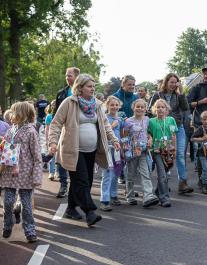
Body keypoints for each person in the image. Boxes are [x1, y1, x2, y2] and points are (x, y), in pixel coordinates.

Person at [48, 74, 120, 226]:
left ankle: (71, 208)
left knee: (82, 181)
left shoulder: (98, 104)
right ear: (80, 87)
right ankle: (90, 212)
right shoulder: (69, 102)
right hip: (73, 149)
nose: (92, 89)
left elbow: (105, 125)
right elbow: (56, 124)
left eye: (94, 86)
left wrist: (114, 139)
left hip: (92, 150)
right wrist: (52, 143)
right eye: (89, 86)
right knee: (81, 181)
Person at [1, 102, 42, 242]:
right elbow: (5, 149)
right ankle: (7, 225)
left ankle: (30, 230)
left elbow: (37, 156)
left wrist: (36, 176)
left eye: (13, 112)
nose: (10, 115)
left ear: (21, 114)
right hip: (9, 173)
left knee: (26, 205)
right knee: (7, 202)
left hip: (26, 174)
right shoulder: (10, 130)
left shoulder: (31, 132)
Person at [149, 73, 193, 194]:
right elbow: (150, 111)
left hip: (177, 128)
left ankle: (183, 183)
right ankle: (163, 184)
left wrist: (181, 93)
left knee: (179, 154)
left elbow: (185, 108)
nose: (173, 85)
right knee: (163, 155)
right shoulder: (157, 95)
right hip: (161, 129)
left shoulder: (178, 95)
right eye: (171, 82)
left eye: (175, 82)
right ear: (166, 82)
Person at [123, 99, 159, 207]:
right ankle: (130, 196)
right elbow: (124, 136)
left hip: (143, 151)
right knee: (130, 175)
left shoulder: (147, 119)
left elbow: (148, 133)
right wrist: (125, 149)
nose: (139, 108)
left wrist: (150, 139)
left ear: (145, 109)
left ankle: (148, 196)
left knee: (145, 173)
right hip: (132, 152)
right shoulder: (128, 121)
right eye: (137, 106)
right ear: (133, 108)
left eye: (142, 107)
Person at [54, 67, 80, 198]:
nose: (67, 77)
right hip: (63, 129)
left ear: (76, 76)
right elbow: (56, 115)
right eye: (66, 75)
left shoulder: (83, 92)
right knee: (60, 157)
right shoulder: (61, 93)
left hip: (78, 131)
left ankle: (77, 186)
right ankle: (63, 184)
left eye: (69, 75)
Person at [148, 99, 177, 207]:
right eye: (158, 107)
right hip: (157, 150)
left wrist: (174, 150)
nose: (160, 109)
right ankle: (164, 198)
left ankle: (157, 191)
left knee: (164, 173)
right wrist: (150, 138)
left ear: (166, 109)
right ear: (154, 109)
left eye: (162, 107)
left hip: (168, 151)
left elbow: (173, 135)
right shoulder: (151, 121)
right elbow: (148, 134)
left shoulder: (171, 120)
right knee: (162, 175)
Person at [99, 96, 124, 211]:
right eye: (112, 105)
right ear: (107, 106)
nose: (114, 107)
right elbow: (101, 132)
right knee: (107, 174)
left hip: (117, 150)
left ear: (119, 106)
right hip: (107, 149)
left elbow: (124, 133)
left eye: (116, 105)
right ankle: (104, 199)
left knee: (116, 173)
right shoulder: (104, 118)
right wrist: (112, 126)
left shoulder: (120, 119)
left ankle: (113, 195)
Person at [44, 100, 56, 181]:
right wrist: (47, 139)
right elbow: (47, 128)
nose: (53, 106)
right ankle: (51, 172)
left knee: (60, 156)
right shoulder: (49, 116)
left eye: (55, 105)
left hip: (61, 137)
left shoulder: (62, 114)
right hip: (51, 138)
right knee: (52, 155)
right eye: (52, 105)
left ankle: (58, 171)